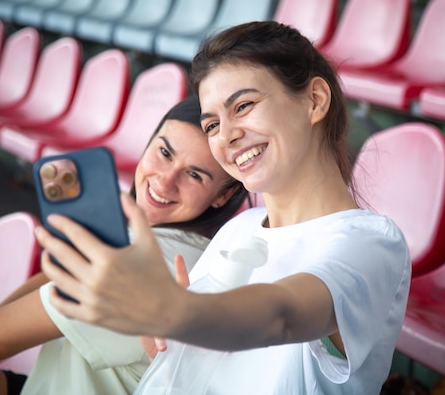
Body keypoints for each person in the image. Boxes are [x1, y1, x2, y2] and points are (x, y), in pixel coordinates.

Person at [36, 21, 412, 395]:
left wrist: (174, 311)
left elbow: (282, 314)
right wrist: (161, 340)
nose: (227, 135)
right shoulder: (239, 229)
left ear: (315, 100)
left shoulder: (372, 243)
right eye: (212, 123)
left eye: (244, 105)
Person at [0, 96, 249, 395]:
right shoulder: (160, 236)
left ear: (223, 195)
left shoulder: (154, 262)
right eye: (164, 152)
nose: (164, 181)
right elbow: (49, 284)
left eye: (194, 175)